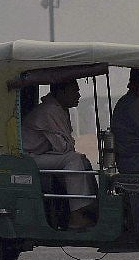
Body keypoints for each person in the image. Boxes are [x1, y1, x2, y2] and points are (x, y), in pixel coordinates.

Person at [22, 79, 97, 229]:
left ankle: (90, 207)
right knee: (74, 160)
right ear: (61, 92)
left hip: (38, 155)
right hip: (27, 159)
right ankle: (76, 215)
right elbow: (64, 148)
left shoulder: (58, 109)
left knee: (81, 160)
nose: (79, 95)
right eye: (74, 91)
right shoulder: (50, 110)